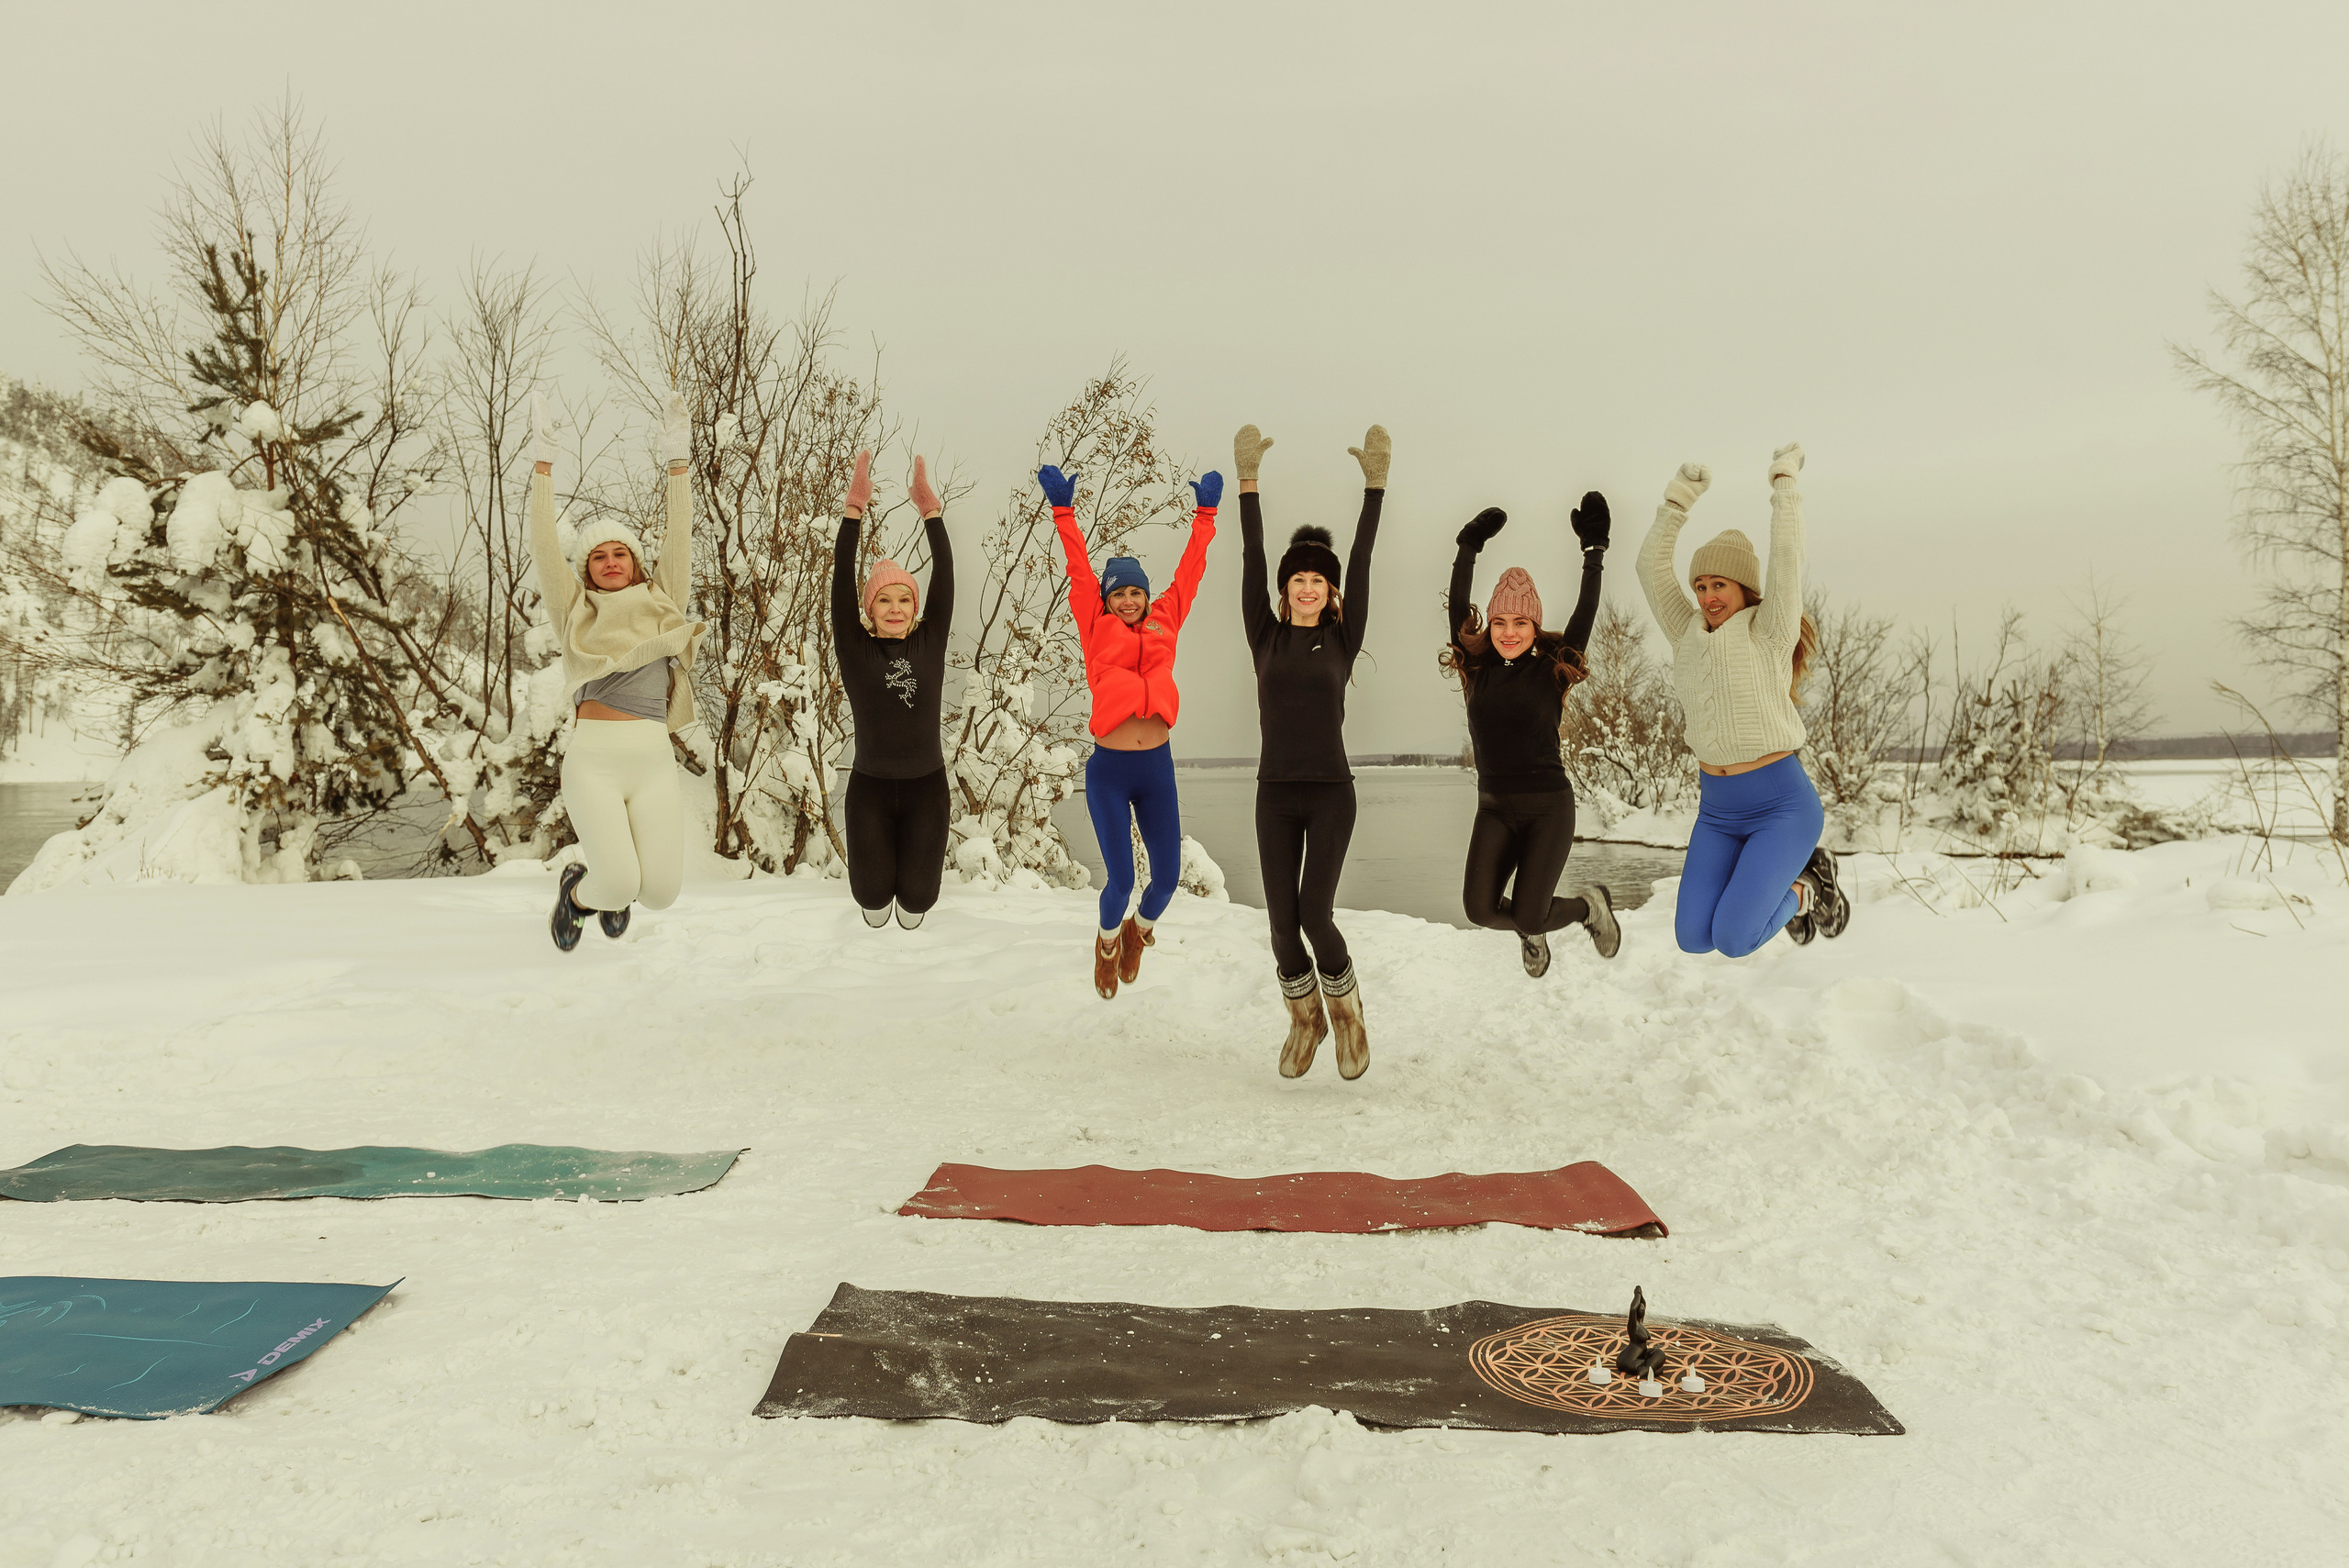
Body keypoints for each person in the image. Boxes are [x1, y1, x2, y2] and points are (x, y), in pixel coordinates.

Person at [1634, 444, 1849, 957]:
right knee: (1693, 938)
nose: (1708, 596)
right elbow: (1649, 568)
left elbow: (1786, 558)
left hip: (1781, 806)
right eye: (1701, 585)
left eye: (1719, 585)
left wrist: (1784, 485)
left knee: (1733, 939)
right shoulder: (1686, 630)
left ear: (1745, 589)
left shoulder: (1769, 629)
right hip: (1718, 810)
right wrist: (1678, 501)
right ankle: (1785, 886)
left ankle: (1807, 888)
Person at [1236, 421, 1386, 1080]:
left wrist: (1375, 487)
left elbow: (1363, 557)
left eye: (1316, 580)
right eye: (1297, 578)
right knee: (1279, 926)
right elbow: (1250, 554)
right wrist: (1248, 483)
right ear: (1285, 587)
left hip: (1331, 792)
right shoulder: (1264, 637)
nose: (1306, 586)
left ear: (1329, 592)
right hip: (1275, 792)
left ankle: (1348, 1017)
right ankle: (1305, 1020)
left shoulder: (1343, 640)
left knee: (1315, 914)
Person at [533, 390, 707, 951]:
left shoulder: (664, 603)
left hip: (653, 761)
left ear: (635, 562)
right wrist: (542, 467)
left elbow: (679, 537)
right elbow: (541, 548)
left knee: (659, 894)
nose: (610, 562)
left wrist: (678, 463)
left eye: (620, 554)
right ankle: (578, 895)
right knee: (619, 881)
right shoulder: (575, 611)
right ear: (586, 570)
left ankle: (610, 891)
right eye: (598, 557)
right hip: (596, 762)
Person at [1043, 461, 1220, 1000]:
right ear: (1108, 599)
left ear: (1145, 596)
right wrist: (1063, 512)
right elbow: (1077, 569)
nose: (1127, 601)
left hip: (1156, 768)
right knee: (1119, 881)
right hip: (1111, 771)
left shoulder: (1167, 617)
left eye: (1134, 593)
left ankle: (1137, 934)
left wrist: (1206, 515)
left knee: (1164, 880)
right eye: (1118, 594)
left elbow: (1191, 571)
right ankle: (1104, 943)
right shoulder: (1094, 626)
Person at [1442, 494, 1622, 977]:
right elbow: (1459, 608)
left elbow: (1586, 611)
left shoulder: (1553, 669)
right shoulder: (1475, 669)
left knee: (1527, 913)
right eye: (1499, 622)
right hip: (1495, 808)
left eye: (1520, 622)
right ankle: (1537, 922)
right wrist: (1469, 545)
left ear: (1534, 625)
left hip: (1548, 808)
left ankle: (1589, 906)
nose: (1508, 631)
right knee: (1479, 910)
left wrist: (1594, 551)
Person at [833, 449, 955, 930]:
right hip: (870, 789)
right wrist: (853, 512)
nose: (896, 607)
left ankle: (913, 906)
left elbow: (944, 575)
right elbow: (841, 580)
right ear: (869, 609)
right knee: (871, 894)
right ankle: (873, 901)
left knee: (919, 901)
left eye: (905, 598)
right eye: (883, 599)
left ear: (916, 606)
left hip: (928, 785)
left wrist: (931, 512)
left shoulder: (930, 641)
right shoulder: (855, 648)